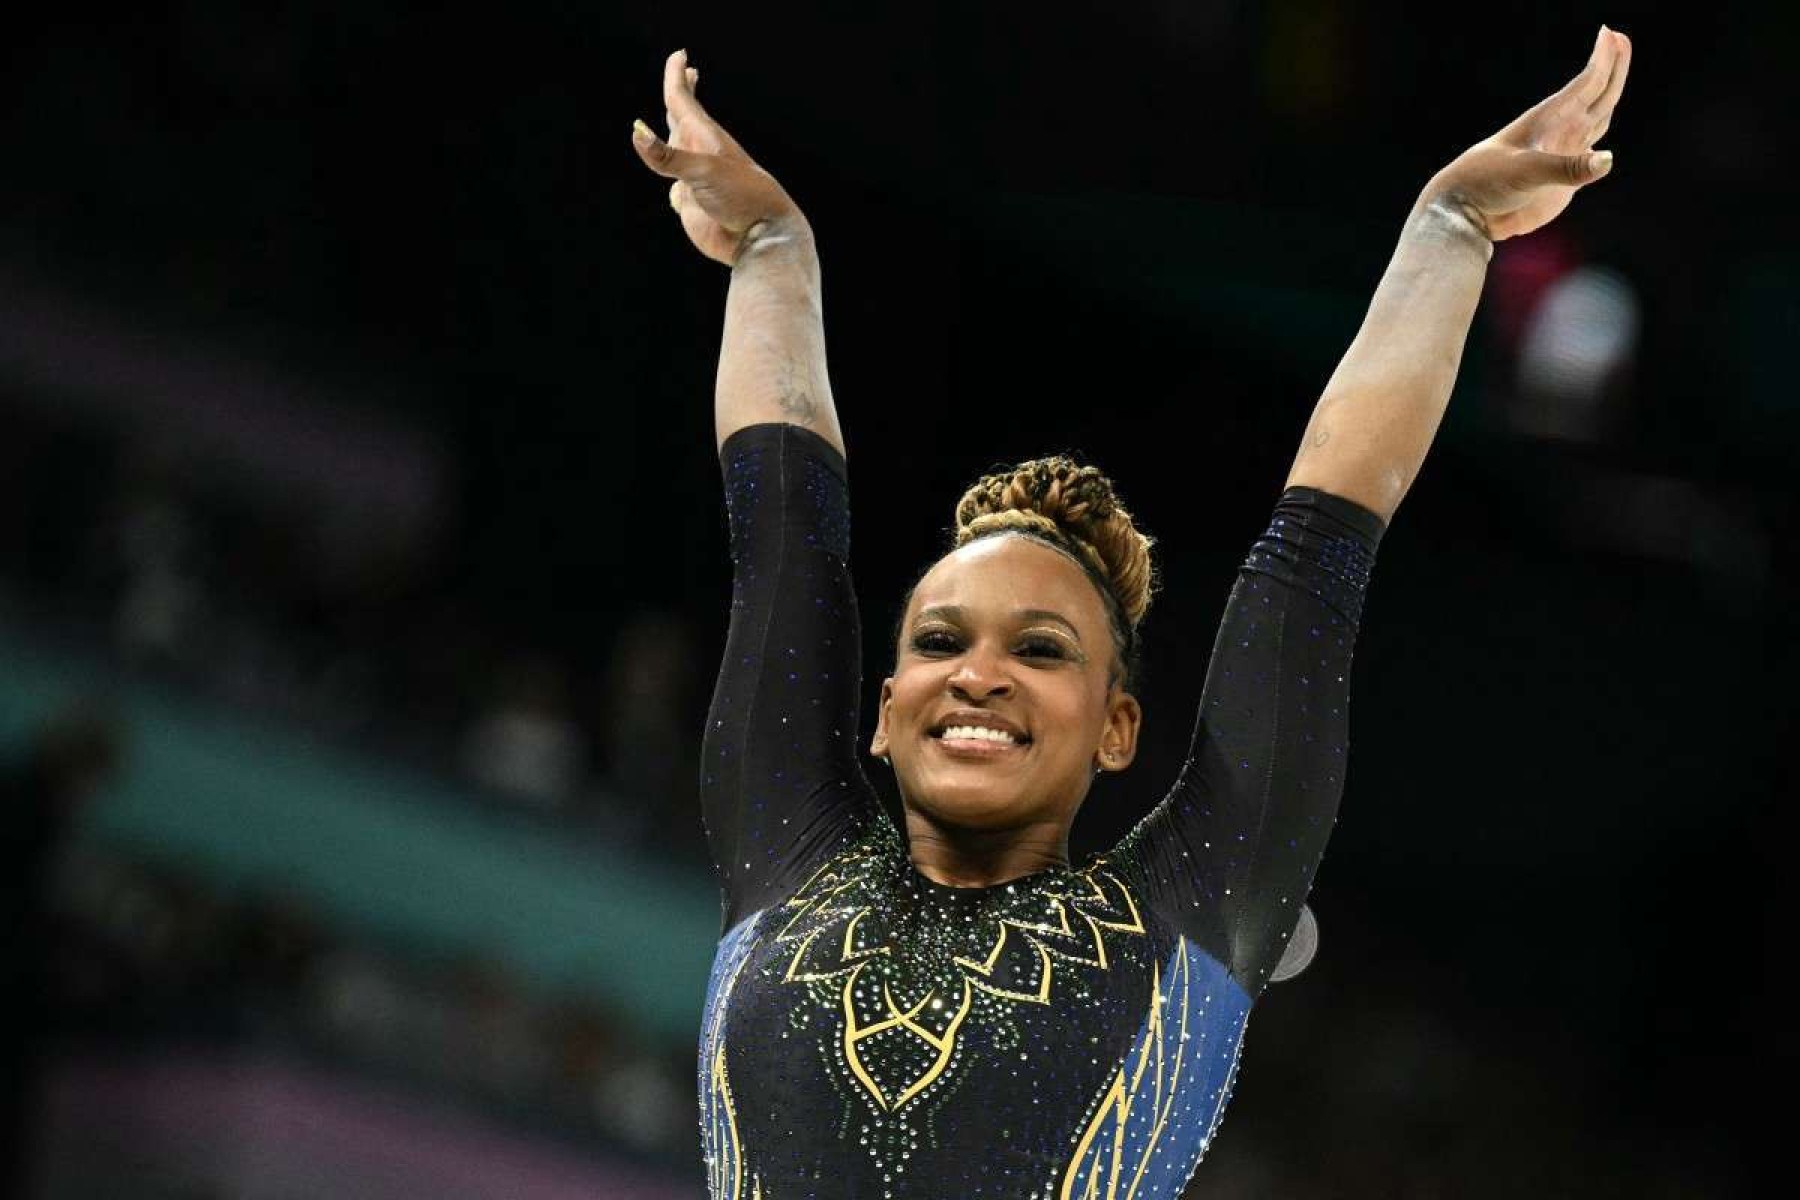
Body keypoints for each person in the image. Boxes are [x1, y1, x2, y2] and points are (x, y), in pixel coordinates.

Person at [632, 26, 1630, 1198]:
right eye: (940, 640)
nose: (978, 672)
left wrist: (1453, 228)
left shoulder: (1187, 920)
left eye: (1040, 649)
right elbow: (787, 547)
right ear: (883, 707)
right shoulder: (785, 853)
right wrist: (771, 247)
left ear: (1117, 726)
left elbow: (1313, 559)